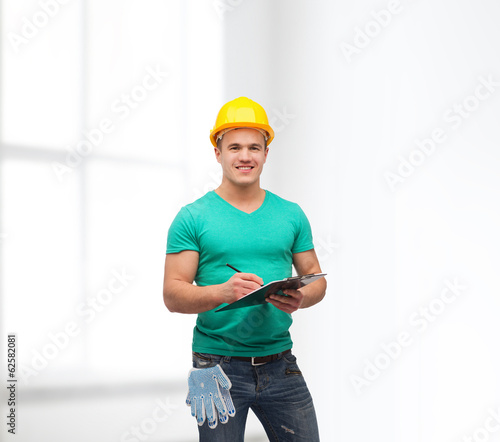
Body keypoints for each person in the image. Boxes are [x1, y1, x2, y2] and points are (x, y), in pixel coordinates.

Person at [163, 97, 327, 441]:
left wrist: (301, 297)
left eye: (255, 147)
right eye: (234, 146)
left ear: (266, 153)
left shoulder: (291, 213)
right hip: (215, 366)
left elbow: (315, 278)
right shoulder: (193, 217)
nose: (245, 156)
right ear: (218, 152)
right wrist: (223, 292)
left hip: (280, 362)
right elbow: (173, 294)